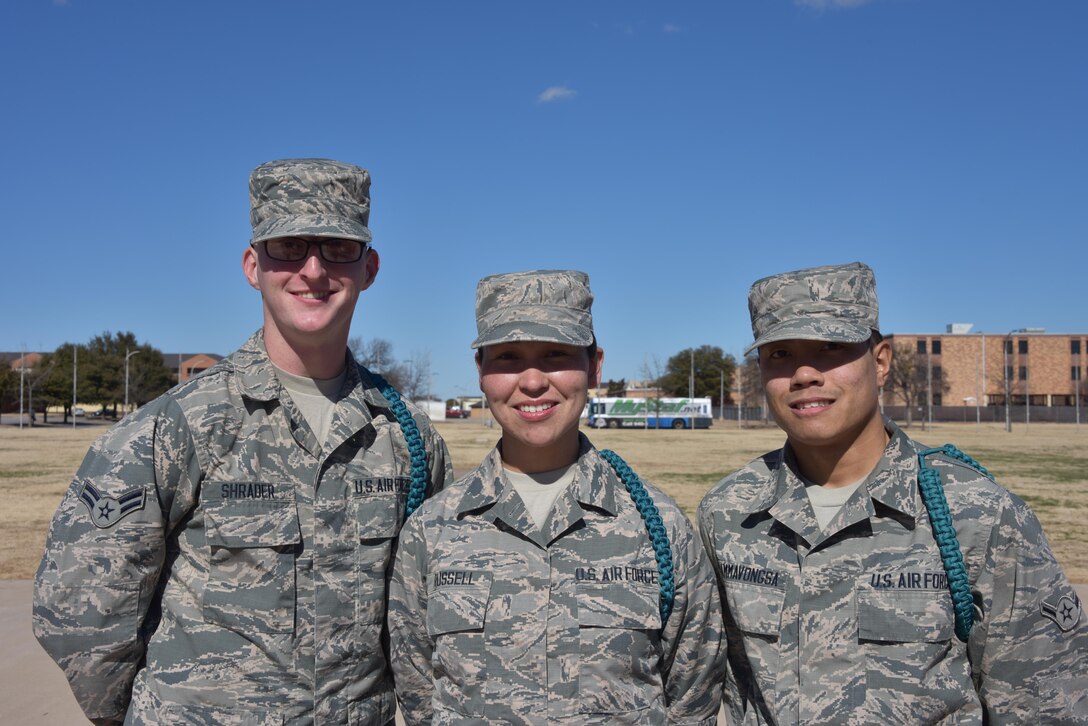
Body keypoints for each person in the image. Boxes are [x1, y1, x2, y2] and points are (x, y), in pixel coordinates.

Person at [33, 158, 453, 725]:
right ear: (253, 265)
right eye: (288, 247)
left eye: (337, 248)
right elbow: (81, 617)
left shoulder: (408, 438)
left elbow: (427, 617)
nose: (312, 270)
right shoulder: (179, 426)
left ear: (369, 267)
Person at [698, 261, 1088, 724]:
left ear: (880, 361)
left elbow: (1044, 706)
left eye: (831, 347)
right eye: (779, 354)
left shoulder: (974, 514)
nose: (804, 374)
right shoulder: (729, 513)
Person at [388, 269, 725, 724]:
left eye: (555, 354)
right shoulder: (431, 531)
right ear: (481, 372)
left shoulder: (659, 528)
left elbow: (693, 697)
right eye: (508, 357)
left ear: (595, 366)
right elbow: (418, 691)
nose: (531, 381)